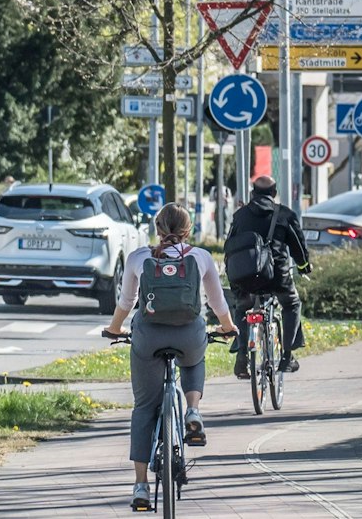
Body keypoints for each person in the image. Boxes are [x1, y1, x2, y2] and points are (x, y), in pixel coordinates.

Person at [104, 201, 238, 512]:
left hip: (149, 337)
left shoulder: (140, 257)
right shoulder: (201, 257)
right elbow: (218, 303)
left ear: (157, 229)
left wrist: (114, 329)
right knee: (194, 358)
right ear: (188, 230)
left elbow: (126, 302)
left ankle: (140, 486)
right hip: (187, 334)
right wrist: (228, 328)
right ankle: (192, 411)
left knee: (144, 408)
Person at [223, 175, 309, 371]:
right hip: (277, 276)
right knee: (291, 303)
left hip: (245, 277)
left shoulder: (240, 215)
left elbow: (229, 245)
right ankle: (287, 357)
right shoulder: (285, 215)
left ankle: (242, 355)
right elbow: (298, 248)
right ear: (274, 193)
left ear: (252, 193)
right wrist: (304, 266)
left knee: (242, 307)